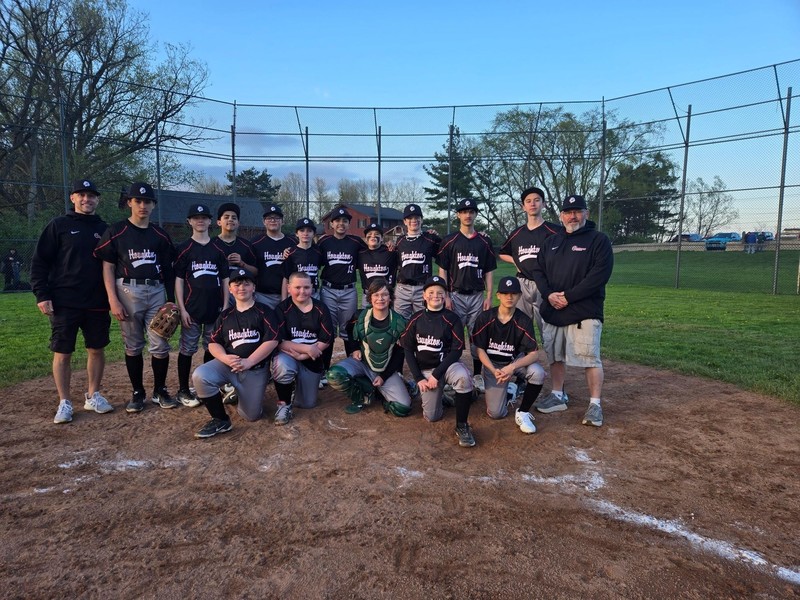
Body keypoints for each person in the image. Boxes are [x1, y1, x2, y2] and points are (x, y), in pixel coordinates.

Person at [31, 178, 114, 423]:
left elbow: (113, 265)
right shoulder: (59, 225)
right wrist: (42, 294)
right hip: (64, 300)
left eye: (91, 195)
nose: (87, 199)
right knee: (62, 352)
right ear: (73, 198)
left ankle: (93, 395)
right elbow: (40, 262)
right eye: (82, 195)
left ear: (98, 199)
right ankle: (64, 401)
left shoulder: (104, 228)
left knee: (96, 349)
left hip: (97, 300)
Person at [94, 181, 180, 413]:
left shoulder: (160, 234)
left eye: (147, 201)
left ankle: (159, 390)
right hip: (127, 290)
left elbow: (169, 269)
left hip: (155, 290)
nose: (143, 205)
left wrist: (171, 298)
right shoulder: (117, 230)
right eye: (138, 200)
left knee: (160, 343)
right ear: (129, 203)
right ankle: (137, 392)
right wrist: (113, 299)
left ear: (153, 205)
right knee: (133, 345)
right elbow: (108, 267)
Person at [531, 194, 614, 427]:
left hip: (585, 311)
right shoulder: (552, 241)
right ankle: (558, 395)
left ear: (586, 214)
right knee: (555, 356)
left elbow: (599, 276)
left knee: (590, 358)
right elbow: (539, 271)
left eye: (577, 211)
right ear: (561, 216)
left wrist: (568, 296)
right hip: (554, 310)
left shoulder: (598, 240)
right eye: (568, 212)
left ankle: (595, 404)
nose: (572, 216)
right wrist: (548, 294)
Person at [192, 268, 281, 438]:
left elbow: (272, 340)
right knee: (201, 375)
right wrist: (224, 357)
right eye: (237, 284)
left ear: (253, 288)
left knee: (251, 416)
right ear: (230, 289)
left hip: (254, 369)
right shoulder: (225, 316)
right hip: (229, 366)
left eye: (246, 284)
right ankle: (220, 419)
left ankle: (239, 392)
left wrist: (249, 361)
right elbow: (213, 343)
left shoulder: (265, 311)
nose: (242, 288)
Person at [400, 275, 476, 448]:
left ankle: (462, 425)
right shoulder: (416, 318)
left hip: (446, 367)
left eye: (440, 292)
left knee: (463, 377)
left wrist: (437, 374)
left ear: (445, 296)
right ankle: (447, 397)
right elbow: (408, 349)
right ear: (424, 296)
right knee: (432, 417)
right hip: (425, 372)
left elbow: (456, 351)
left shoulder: (452, 318)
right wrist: (419, 378)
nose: (436, 295)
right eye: (431, 292)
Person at [436, 197, 497, 394]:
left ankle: (478, 375)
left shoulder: (484, 241)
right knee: (451, 335)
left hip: (477, 295)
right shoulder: (450, 240)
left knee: (477, 335)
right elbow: (442, 270)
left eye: (471, 211)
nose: (468, 215)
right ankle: (448, 373)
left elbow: (489, 270)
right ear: (458, 215)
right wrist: (445, 295)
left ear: (475, 214)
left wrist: (489, 296)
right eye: (464, 211)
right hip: (455, 295)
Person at [471, 276, 546, 434]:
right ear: (498, 295)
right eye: (505, 293)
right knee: (496, 414)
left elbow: (534, 354)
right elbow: (479, 350)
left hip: (513, 363)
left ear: (519, 296)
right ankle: (511, 390)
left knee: (538, 372)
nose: (509, 297)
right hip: (494, 366)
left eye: (513, 293)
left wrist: (512, 367)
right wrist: (492, 370)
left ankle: (523, 412)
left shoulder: (523, 320)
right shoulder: (486, 317)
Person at [326, 278, 411, 416]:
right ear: (370, 298)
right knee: (335, 375)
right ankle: (362, 395)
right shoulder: (360, 316)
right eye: (376, 295)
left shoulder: (399, 322)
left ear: (391, 298)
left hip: (385, 369)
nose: (380, 298)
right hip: (363, 364)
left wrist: (384, 376)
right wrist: (354, 348)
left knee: (402, 408)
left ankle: (384, 395)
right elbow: (349, 330)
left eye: (384, 294)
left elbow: (399, 354)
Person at [173, 203, 230, 407]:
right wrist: (182, 308)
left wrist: (225, 306)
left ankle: (208, 385)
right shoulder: (184, 248)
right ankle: (182, 389)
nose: (200, 220)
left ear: (210, 222)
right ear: (189, 221)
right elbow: (178, 280)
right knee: (187, 348)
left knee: (211, 347)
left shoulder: (218, 249)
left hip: (214, 308)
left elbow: (225, 279)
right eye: (196, 217)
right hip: (192, 309)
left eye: (204, 217)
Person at [498, 186, 561, 339]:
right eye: (528, 201)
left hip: (546, 284)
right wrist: (515, 261)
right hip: (522, 283)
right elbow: (502, 253)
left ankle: (552, 361)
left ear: (544, 204)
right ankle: (521, 359)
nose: (532, 204)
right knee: (520, 325)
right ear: (523, 207)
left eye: (537, 200)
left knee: (547, 328)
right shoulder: (517, 233)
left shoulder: (555, 231)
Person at [271, 271, 334, 424]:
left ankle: (294, 387)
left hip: (312, 358)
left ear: (312, 287)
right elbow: (279, 340)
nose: (302, 291)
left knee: (307, 404)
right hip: (289, 355)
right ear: (288, 288)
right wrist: (306, 349)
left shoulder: (320, 308)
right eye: (297, 287)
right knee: (281, 365)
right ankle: (283, 404)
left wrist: (304, 355)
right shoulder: (281, 309)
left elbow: (326, 339)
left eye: (306, 287)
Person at [317, 206, 367, 386]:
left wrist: (389, 246)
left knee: (349, 329)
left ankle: (351, 367)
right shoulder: (324, 242)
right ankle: (323, 370)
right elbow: (308, 254)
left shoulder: (355, 242)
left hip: (349, 290)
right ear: (331, 223)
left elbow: (372, 248)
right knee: (328, 329)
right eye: (337, 220)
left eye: (345, 221)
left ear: (348, 224)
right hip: (328, 290)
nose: (341, 223)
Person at [393, 203, 441, 319]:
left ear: (421, 220)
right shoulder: (400, 241)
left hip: (423, 288)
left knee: (423, 322)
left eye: (417, 218)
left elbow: (447, 252)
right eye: (410, 218)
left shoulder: (430, 238)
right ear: (405, 221)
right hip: (402, 289)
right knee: (399, 324)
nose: (413, 220)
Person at [251, 204, 295, 310]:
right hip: (263, 295)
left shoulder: (293, 242)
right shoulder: (255, 243)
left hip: (290, 294)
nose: (273, 220)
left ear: (282, 221)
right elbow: (252, 269)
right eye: (269, 218)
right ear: (264, 221)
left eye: (277, 218)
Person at [210, 202, 258, 280]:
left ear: (238, 223)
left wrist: (241, 263)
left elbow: (256, 272)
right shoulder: (211, 244)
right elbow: (206, 271)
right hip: (218, 290)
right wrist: (225, 264)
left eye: (234, 218)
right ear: (219, 222)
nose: (230, 220)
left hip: (240, 289)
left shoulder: (246, 245)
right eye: (226, 217)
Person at [282, 217, 324, 299]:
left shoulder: (318, 252)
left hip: (314, 293)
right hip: (296, 294)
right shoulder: (290, 253)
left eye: (309, 231)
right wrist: (284, 300)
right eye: (302, 230)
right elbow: (286, 278)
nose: (305, 233)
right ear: (296, 234)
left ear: (314, 234)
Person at [357, 223, 397, 307]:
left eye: (377, 234)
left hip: (385, 295)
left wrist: (393, 244)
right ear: (365, 239)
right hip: (367, 295)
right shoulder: (360, 254)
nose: (373, 236)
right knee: (367, 319)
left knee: (387, 319)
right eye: (370, 234)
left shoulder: (390, 251)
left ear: (382, 238)